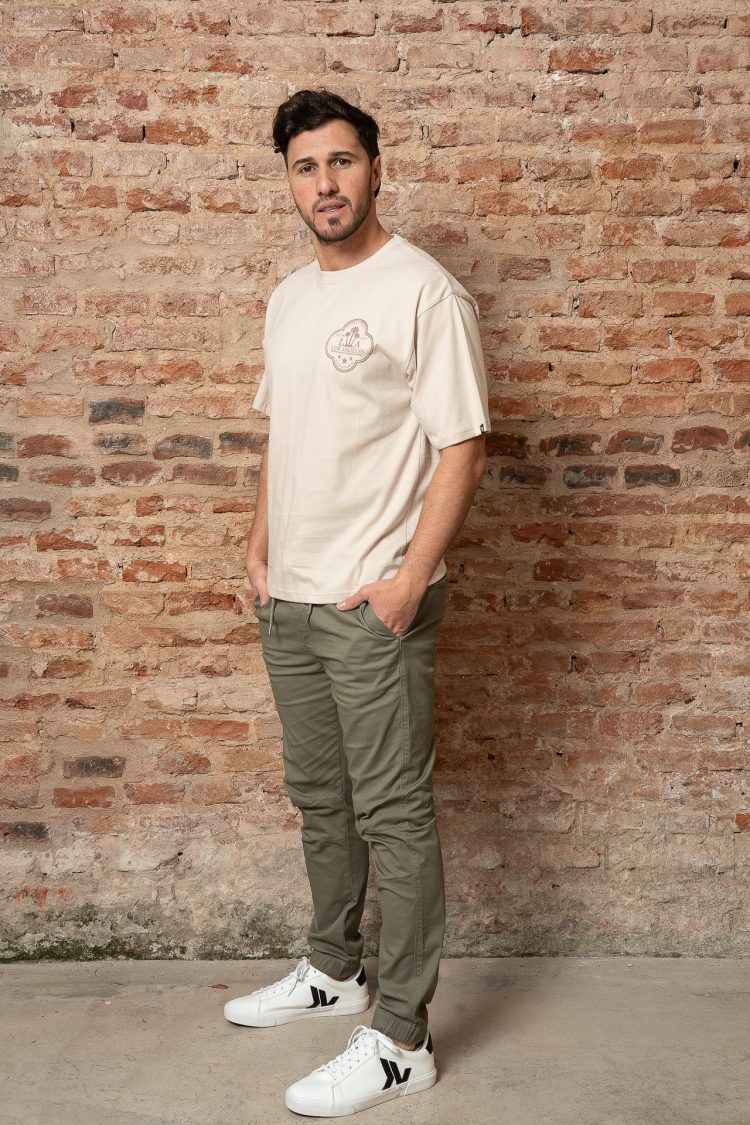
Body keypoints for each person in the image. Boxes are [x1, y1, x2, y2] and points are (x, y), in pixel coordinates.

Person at [223, 87, 491, 1117]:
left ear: (375, 168)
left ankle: (400, 1038)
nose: (325, 183)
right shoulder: (290, 298)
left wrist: (409, 578)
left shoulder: (423, 291)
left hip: (370, 602)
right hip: (289, 600)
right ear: (289, 182)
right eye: (306, 167)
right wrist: (259, 547)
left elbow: (462, 445)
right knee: (320, 797)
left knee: (393, 813)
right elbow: (283, 432)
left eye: (341, 161)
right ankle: (335, 968)